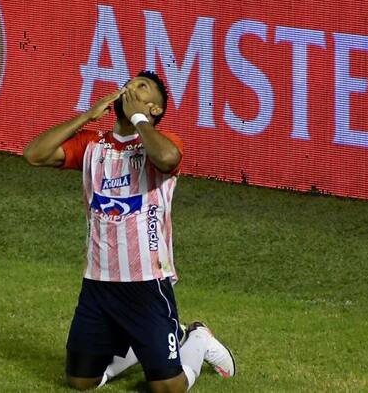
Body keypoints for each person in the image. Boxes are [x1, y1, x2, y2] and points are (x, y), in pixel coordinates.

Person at [23, 71, 235, 392]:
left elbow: (168, 159)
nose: (130, 89)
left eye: (142, 88)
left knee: (168, 388)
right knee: (81, 381)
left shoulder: (161, 145)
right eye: (130, 84)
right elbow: (34, 154)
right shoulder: (92, 145)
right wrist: (86, 116)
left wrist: (138, 119)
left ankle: (198, 338)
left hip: (147, 283)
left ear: (154, 109)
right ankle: (139, 347)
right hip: (98, 283)